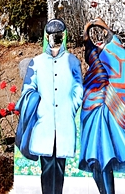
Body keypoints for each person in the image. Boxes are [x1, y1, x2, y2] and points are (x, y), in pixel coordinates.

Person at [79, 18, 125, 194]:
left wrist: (98, 26)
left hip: (104, 110)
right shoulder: (98, 54)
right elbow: (87, 43)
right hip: (91, 108)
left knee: (104, 157)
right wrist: (89, 27)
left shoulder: (111, 52)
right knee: (96, 160)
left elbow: (112, 41)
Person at [15, 20, 83, 194]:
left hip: (64, 123)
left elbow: (78, 88)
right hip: (43, 124)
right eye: (52, 34)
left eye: (59, 34)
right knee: (46, 167)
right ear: (46, 36)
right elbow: (28, 89)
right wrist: (37, 106)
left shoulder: (72, 61)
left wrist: (71, 107)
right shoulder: (36, 62)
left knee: (60, 168)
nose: (55, 37)